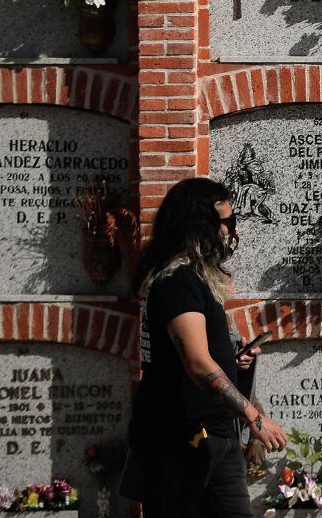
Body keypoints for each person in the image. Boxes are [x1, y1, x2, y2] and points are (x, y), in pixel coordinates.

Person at [126, 177, 287, 517]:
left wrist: (232, 359)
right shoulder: (176, 280)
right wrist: (255, 418)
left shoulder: (196, 277)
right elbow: (198, 363)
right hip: (180, 440)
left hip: (215, 433)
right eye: (227, 222)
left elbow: (199, 355)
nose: (232, 230)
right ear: (202, 224)